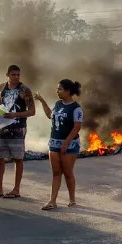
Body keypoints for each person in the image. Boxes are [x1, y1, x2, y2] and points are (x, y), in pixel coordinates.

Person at [0, 64, 35, 198]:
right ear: (7, 74)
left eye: (18, 74)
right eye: (13, 74)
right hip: (3, 127)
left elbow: (32, 111)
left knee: (18, 159)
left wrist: (15, 115)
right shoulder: (1, 87)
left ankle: (16, 189)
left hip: (18, 128)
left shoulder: (24, 90)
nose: (16, 77)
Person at [34, 79, 83, 210]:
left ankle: (72, 200)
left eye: (60, 89)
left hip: (69, 144)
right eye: (57, 89)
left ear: (67, 91)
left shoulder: (76, 108)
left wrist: (66, 143)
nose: (57, 92)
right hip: (54, 142)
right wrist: (42, 100)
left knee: (68, 172)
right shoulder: (58, 104)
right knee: (56, 173)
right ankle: (52, 201)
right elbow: (50, 115)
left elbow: (77, 127)